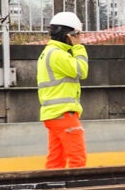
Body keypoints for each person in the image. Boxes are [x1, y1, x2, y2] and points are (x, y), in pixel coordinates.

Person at [38, 11, 89, 168]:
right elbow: (82, 71)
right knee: (77, 160)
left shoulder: (48, 52)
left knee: (56, 160)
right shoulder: (57, 54)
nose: (80, 37)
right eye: (78, 34)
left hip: (54, 115)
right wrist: (79, 47)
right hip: (64, 114)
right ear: (69, 35)